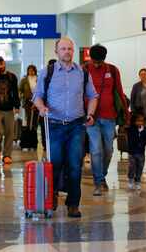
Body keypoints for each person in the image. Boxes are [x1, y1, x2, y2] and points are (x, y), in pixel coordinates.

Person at [33, 37, 99, 218]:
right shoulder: (47, 72)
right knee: (55, 164)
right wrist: (41, 107)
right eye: (63, 49)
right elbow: (37, 96)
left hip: (76, 126)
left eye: (70, 49)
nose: (67, 52)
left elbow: (93, 96)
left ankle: (73, 203)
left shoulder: (82, 73)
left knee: (75, 165)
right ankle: (52, 197)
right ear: (56, 51)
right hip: (54, 125)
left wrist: (91, 114)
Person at [85, 44, 130, 196]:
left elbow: (120, 91)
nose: (97, 64)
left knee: (109, 150)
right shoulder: (84, 70)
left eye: (100, 61)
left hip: (109, 117)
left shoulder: (112, 70)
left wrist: (126, 115)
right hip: (91, 118)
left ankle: (101, 175)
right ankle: (98, 182)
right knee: (96, 150)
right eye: (95, 61)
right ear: (90, 58)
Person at [0, 56, 20, 164]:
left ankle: (7, 155)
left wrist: (17, 106)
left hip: (9, 108)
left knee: (9, 132)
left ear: (4, 63)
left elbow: (15, 92)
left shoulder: (12, 76)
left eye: (1, 63)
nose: (0, 66)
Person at [127, 111, 146, 190]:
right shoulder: (131, 129)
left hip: (141, 153)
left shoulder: (145, 131)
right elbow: (130, 139)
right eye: (138, 121)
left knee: (140, 167)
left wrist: (142, 143)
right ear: (134, 121)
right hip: (132, 152)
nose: (140, 123)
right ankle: (130, 179)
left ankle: (137, 180)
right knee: (132, 166)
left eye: (141, 121)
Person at [19, 65, 39, 133]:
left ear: (35, 71)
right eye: (29, 70)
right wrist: (21, 96)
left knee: (36, 118)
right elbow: (20, 89)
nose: (31, 71)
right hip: (27, 101)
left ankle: (34, 132)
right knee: (29, 117)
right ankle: (28, 133)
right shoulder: (24, 80)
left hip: (37, 101)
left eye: (32, 70)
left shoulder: (38, 78)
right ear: (27, 71)